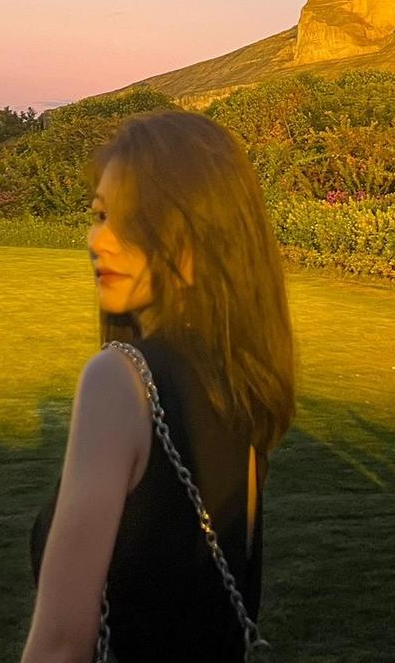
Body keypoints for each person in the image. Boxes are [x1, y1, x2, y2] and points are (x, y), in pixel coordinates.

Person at [21, 110, 296, 663]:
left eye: (135, 220)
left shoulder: (120, 381)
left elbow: (61, 643)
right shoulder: (239, 382)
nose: (100, 240)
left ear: (200, 236)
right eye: (100, 214)